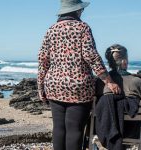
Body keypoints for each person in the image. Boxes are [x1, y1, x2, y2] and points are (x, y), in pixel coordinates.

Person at [37, 0, 121, 150]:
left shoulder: (51, 30)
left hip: (54, 85)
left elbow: (43, 61)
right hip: (78, 86)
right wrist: (108, 80)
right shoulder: (82, 27)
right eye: (81, 10)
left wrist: (40, 87)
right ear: (77, 11)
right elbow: (91, 55)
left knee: (59, 128)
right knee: (74, 129)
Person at [95, 44, 141, 149]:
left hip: (105, 131)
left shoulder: (100, 82)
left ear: (109, 63)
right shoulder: (137, 81)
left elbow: (95, 109)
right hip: (133, 131)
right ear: (124, 61)